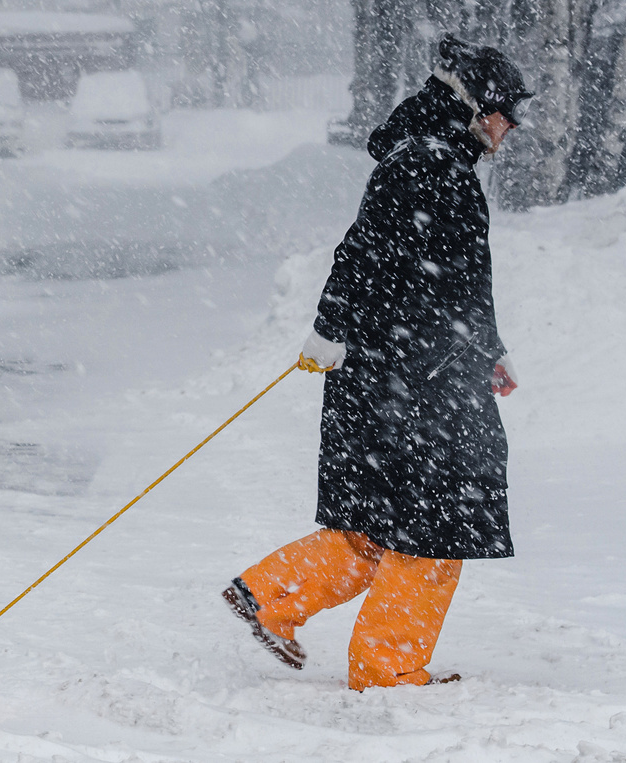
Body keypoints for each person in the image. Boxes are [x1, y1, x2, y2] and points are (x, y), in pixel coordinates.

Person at [224, 35, 532, 691]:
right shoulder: (426, 165)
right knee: (438, 523)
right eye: (506, 108)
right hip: (414, 379)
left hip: (403, 373)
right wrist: (330, 330)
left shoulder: (433, 161)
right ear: (476, 106)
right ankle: (387, 666)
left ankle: (272, 594)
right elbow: (361, 252)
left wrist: (489, 348)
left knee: (377, 526)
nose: (513, 123)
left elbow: (456, 283)